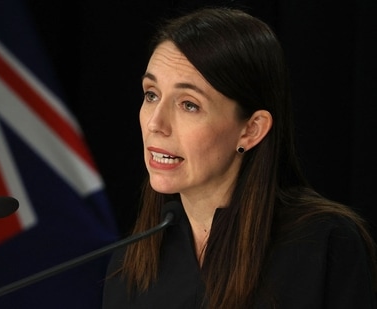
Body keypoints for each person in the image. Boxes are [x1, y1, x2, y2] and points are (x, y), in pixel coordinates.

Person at [102, 6, 377, 309]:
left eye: (189, 105)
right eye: (151, 94)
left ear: (251, 130)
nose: (155, 123)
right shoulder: (131, 263)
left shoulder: (324, 244)